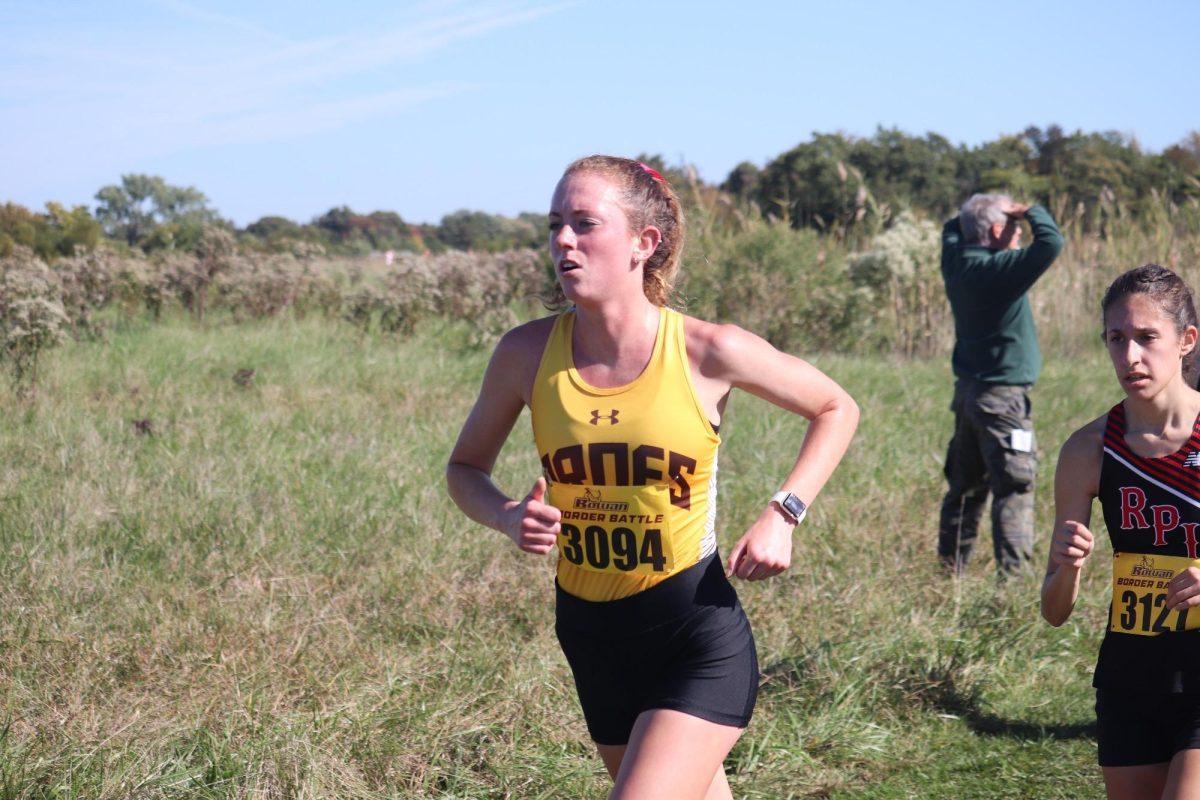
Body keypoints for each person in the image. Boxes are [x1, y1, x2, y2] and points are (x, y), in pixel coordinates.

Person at [445, 155, 858, 799]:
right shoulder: (524, 354)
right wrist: (504, 515)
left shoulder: (708, 350)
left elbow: (837, 407)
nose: (562, 240)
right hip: (588, 635)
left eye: (585, 223)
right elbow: (464, 468)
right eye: (554, 224)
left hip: (693, 630)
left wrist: (785, 512)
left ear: (646, 242)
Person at [1041, 265, 1200, 799]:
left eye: (1147, 337)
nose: (1130, 356)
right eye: (1116, 339)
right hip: (1132, 675)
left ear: (1186, 341)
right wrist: (1067, 566)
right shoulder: (1087, 450)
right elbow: (1054, 611)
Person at [938, 193, 1064, 577]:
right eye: (1012, 227)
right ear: (995, 230)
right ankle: (1013, 580)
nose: (1017, 234)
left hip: (968, 394)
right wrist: (1030, 212)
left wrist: (987, 214)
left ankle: (950, 571)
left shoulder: (956, 263)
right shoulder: (1000, 271)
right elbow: (1051, 242)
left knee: (965, 488)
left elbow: (950, 229)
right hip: (1004, 402)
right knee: (1014, 487)